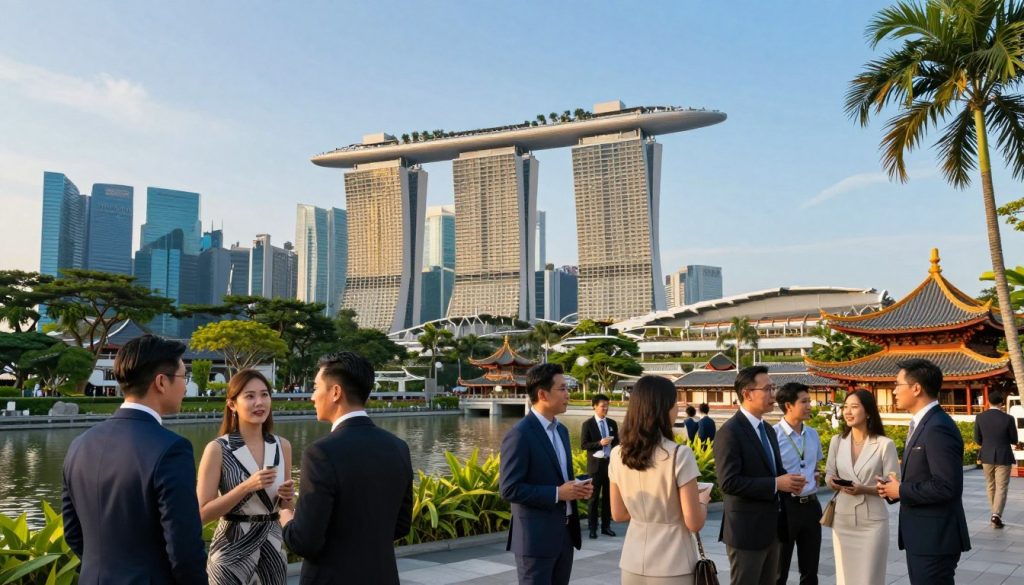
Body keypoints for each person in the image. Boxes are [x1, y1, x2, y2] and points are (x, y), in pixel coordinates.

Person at [61, 334, 208, 584]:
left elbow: (73, 533)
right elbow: (184, 550)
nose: (185, 386)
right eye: (185, 377)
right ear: (161, 382)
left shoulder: (79, 445)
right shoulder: (171, 449)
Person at [279, 351, 413, 585]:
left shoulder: (321, 453)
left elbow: (305, 542)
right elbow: (401, 526)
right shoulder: (398, 447)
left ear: (335, 392)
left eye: (315, 387)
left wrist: (285, 513)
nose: (312, 396)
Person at [609, 375, 712, 584]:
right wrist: (702, 500)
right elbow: (694, 522)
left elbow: (618, 514)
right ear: (663, 408)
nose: (677, 410)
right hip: (674, 562)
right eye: (675, 403)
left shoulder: (617, 454)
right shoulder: (679, 454)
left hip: (632, 561)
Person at [877, 358, 971, 585]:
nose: (894, 391)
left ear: (916, 388)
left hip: (934, 539)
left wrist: (901, 489)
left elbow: (947, 486)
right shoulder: (923, 423)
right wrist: (894, 489)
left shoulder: (937, 426)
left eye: (898, 384)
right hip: (923, 536)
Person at [197, 369, 294, 585]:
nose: (259, 402)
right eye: (249, 396)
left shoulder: (281, 446)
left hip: (273, 550)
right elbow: (202, 513)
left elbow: (286, 507)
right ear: (232, 404)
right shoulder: (218, 449)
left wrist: (288, 496)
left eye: (264, 395)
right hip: (231, 551)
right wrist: (247, 486)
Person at [500, 363, 592, 585]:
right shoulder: (519, 435)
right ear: (542, 394)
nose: (568, 394)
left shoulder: (561, 430)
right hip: (535, 540)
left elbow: (557, 476)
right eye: (562, 389)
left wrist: (577, 487)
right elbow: (509, 489)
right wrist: (558, 493)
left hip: (565, 535)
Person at [714, 365, 806, 585]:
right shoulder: (730, 432)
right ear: (747, 394)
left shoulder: (767, 430)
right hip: (745, 531)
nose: (773, 395)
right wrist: (776, 483)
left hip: (771, 529)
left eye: (773, 388)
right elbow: (729, 482)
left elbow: (773, 471)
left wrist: (790, 481)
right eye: (767, 389)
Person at [824, 390, 898, 585]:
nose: (848, 412)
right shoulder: (837, 441)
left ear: (868, 412)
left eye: (854, 407)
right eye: (845, 407)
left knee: (870, 579)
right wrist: (832, 481)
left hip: (872, 522)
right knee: (845, 578)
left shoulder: (884, 444)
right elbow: (829, 474)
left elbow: (894, 487)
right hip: (843, 520)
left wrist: (864, 489)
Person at [772, 382, 824, 585]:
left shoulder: (812, 434)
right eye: (804, 401)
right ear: (788, 405)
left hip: (811, 506)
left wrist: (816, 474)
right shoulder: (772, 435)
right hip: (784, 507)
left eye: (809, 401)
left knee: (811, 570)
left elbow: (814, 464)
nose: (810, 405)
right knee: (779, 571)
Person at [973, 389, 1018, 528]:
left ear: (988, 402)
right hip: (1003, 456)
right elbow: (1014, 440)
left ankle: (995, 515)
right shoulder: (1008, 419)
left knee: (991, 485)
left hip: (986, 455)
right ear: (1001, 403)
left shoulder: (980, 417)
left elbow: (977, 439)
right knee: (1001, 487)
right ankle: (996, 514)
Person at [581, 393, 619, 539]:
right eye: (603, 406)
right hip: (595, 466)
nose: (606, 408)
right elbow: (584, 444)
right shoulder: (588, 424)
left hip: (609, 465)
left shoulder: (612, 423)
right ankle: (592, 528)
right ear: (594, 407)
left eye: (607, 406)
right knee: (593, 498)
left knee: (608, 498)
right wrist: (599, 443)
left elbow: (617, 443)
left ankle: (606, 527)